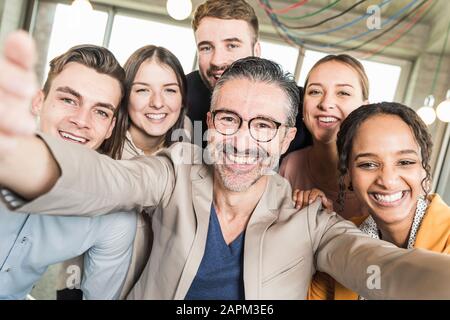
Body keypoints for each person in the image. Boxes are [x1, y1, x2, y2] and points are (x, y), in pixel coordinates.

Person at [1, 33, 450, 299]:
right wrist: (17, 156)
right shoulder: (176, 169)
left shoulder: (309, 217)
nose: (241, 141)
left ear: (285, 137)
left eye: (263, 125)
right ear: (210, 123)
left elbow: (379, 265)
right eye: (230, 119)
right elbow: (108, 179)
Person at [0, 38, 136, 299]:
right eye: (69, 100)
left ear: (110, 128)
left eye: (100, 112)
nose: (81, 121)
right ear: (38, 101)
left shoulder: (113, 217)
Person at [56, 45, 192, 299]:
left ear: (183, 98)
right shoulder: (98, 149)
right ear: (125, 96)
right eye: (142, 90)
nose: (158, 102)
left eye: (170, 90)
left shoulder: (190, 159)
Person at [309, 102, 450, 300]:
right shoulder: (339, 242)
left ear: (424, 169)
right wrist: (311, 222)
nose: (388, 180)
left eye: (405, 162)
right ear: (348, 175)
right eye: (368, 164)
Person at [186, 0, 311, 152]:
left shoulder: (300, 106)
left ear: (256, 51)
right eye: (206, 48)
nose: (217, 60)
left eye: (232, 45)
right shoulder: (180, 94)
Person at [281, 54, 369, 219]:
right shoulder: (290, 165)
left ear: (364, 110)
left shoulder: (377, 174)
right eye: (315, 91)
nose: (326, 103)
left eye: (343, 93)